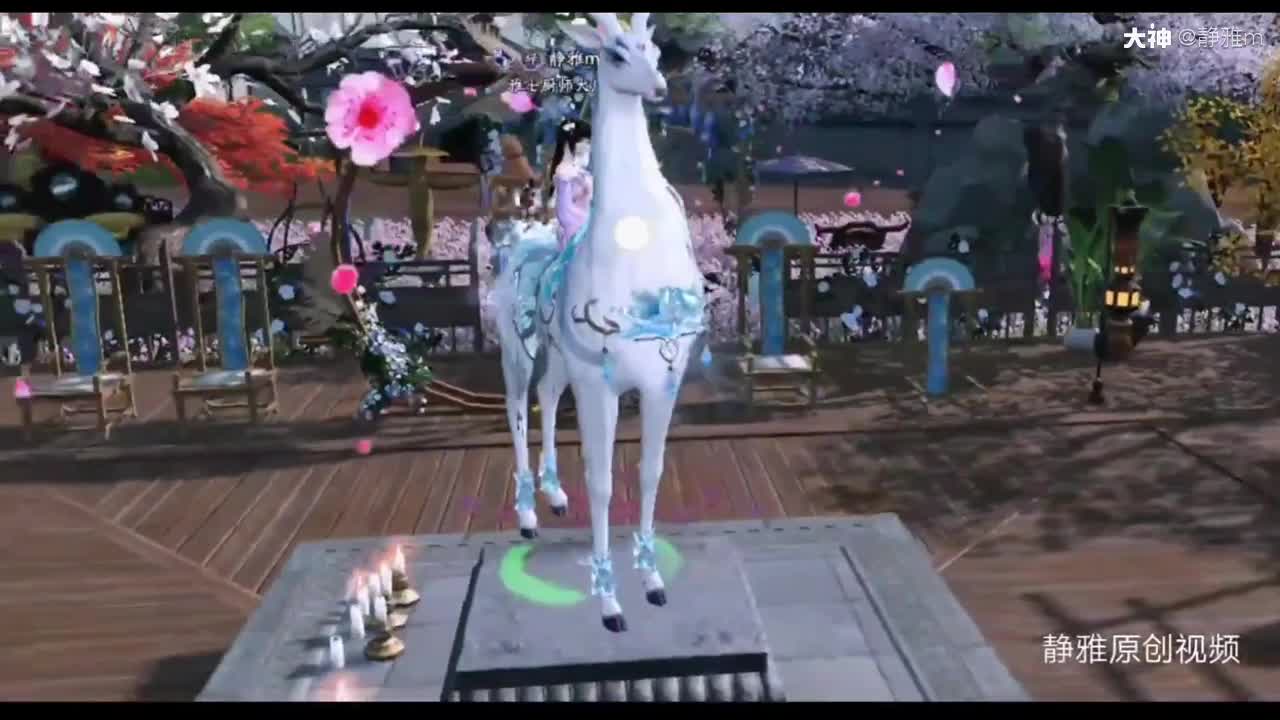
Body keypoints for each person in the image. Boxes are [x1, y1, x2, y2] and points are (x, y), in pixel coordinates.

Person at [546, 118, 593, 249]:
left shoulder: (579, 171)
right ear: (569, 142)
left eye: (589, 141)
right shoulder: (565, 173)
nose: (589, 145)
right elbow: (564, 213)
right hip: (575, 235)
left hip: (584, 230)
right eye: (585, 141)